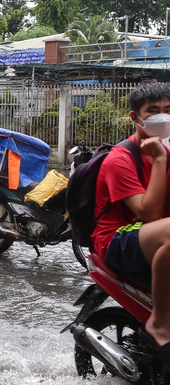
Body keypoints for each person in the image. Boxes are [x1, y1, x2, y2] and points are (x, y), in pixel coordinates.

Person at [92, 81, 170, 360]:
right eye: (153, 111)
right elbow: (148, 214)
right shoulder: (120, 159)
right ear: (135, 118)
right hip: (116, 240)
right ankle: (160, 325)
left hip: (152, 236)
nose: (162, 116)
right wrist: (159, 161)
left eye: (168, 110)